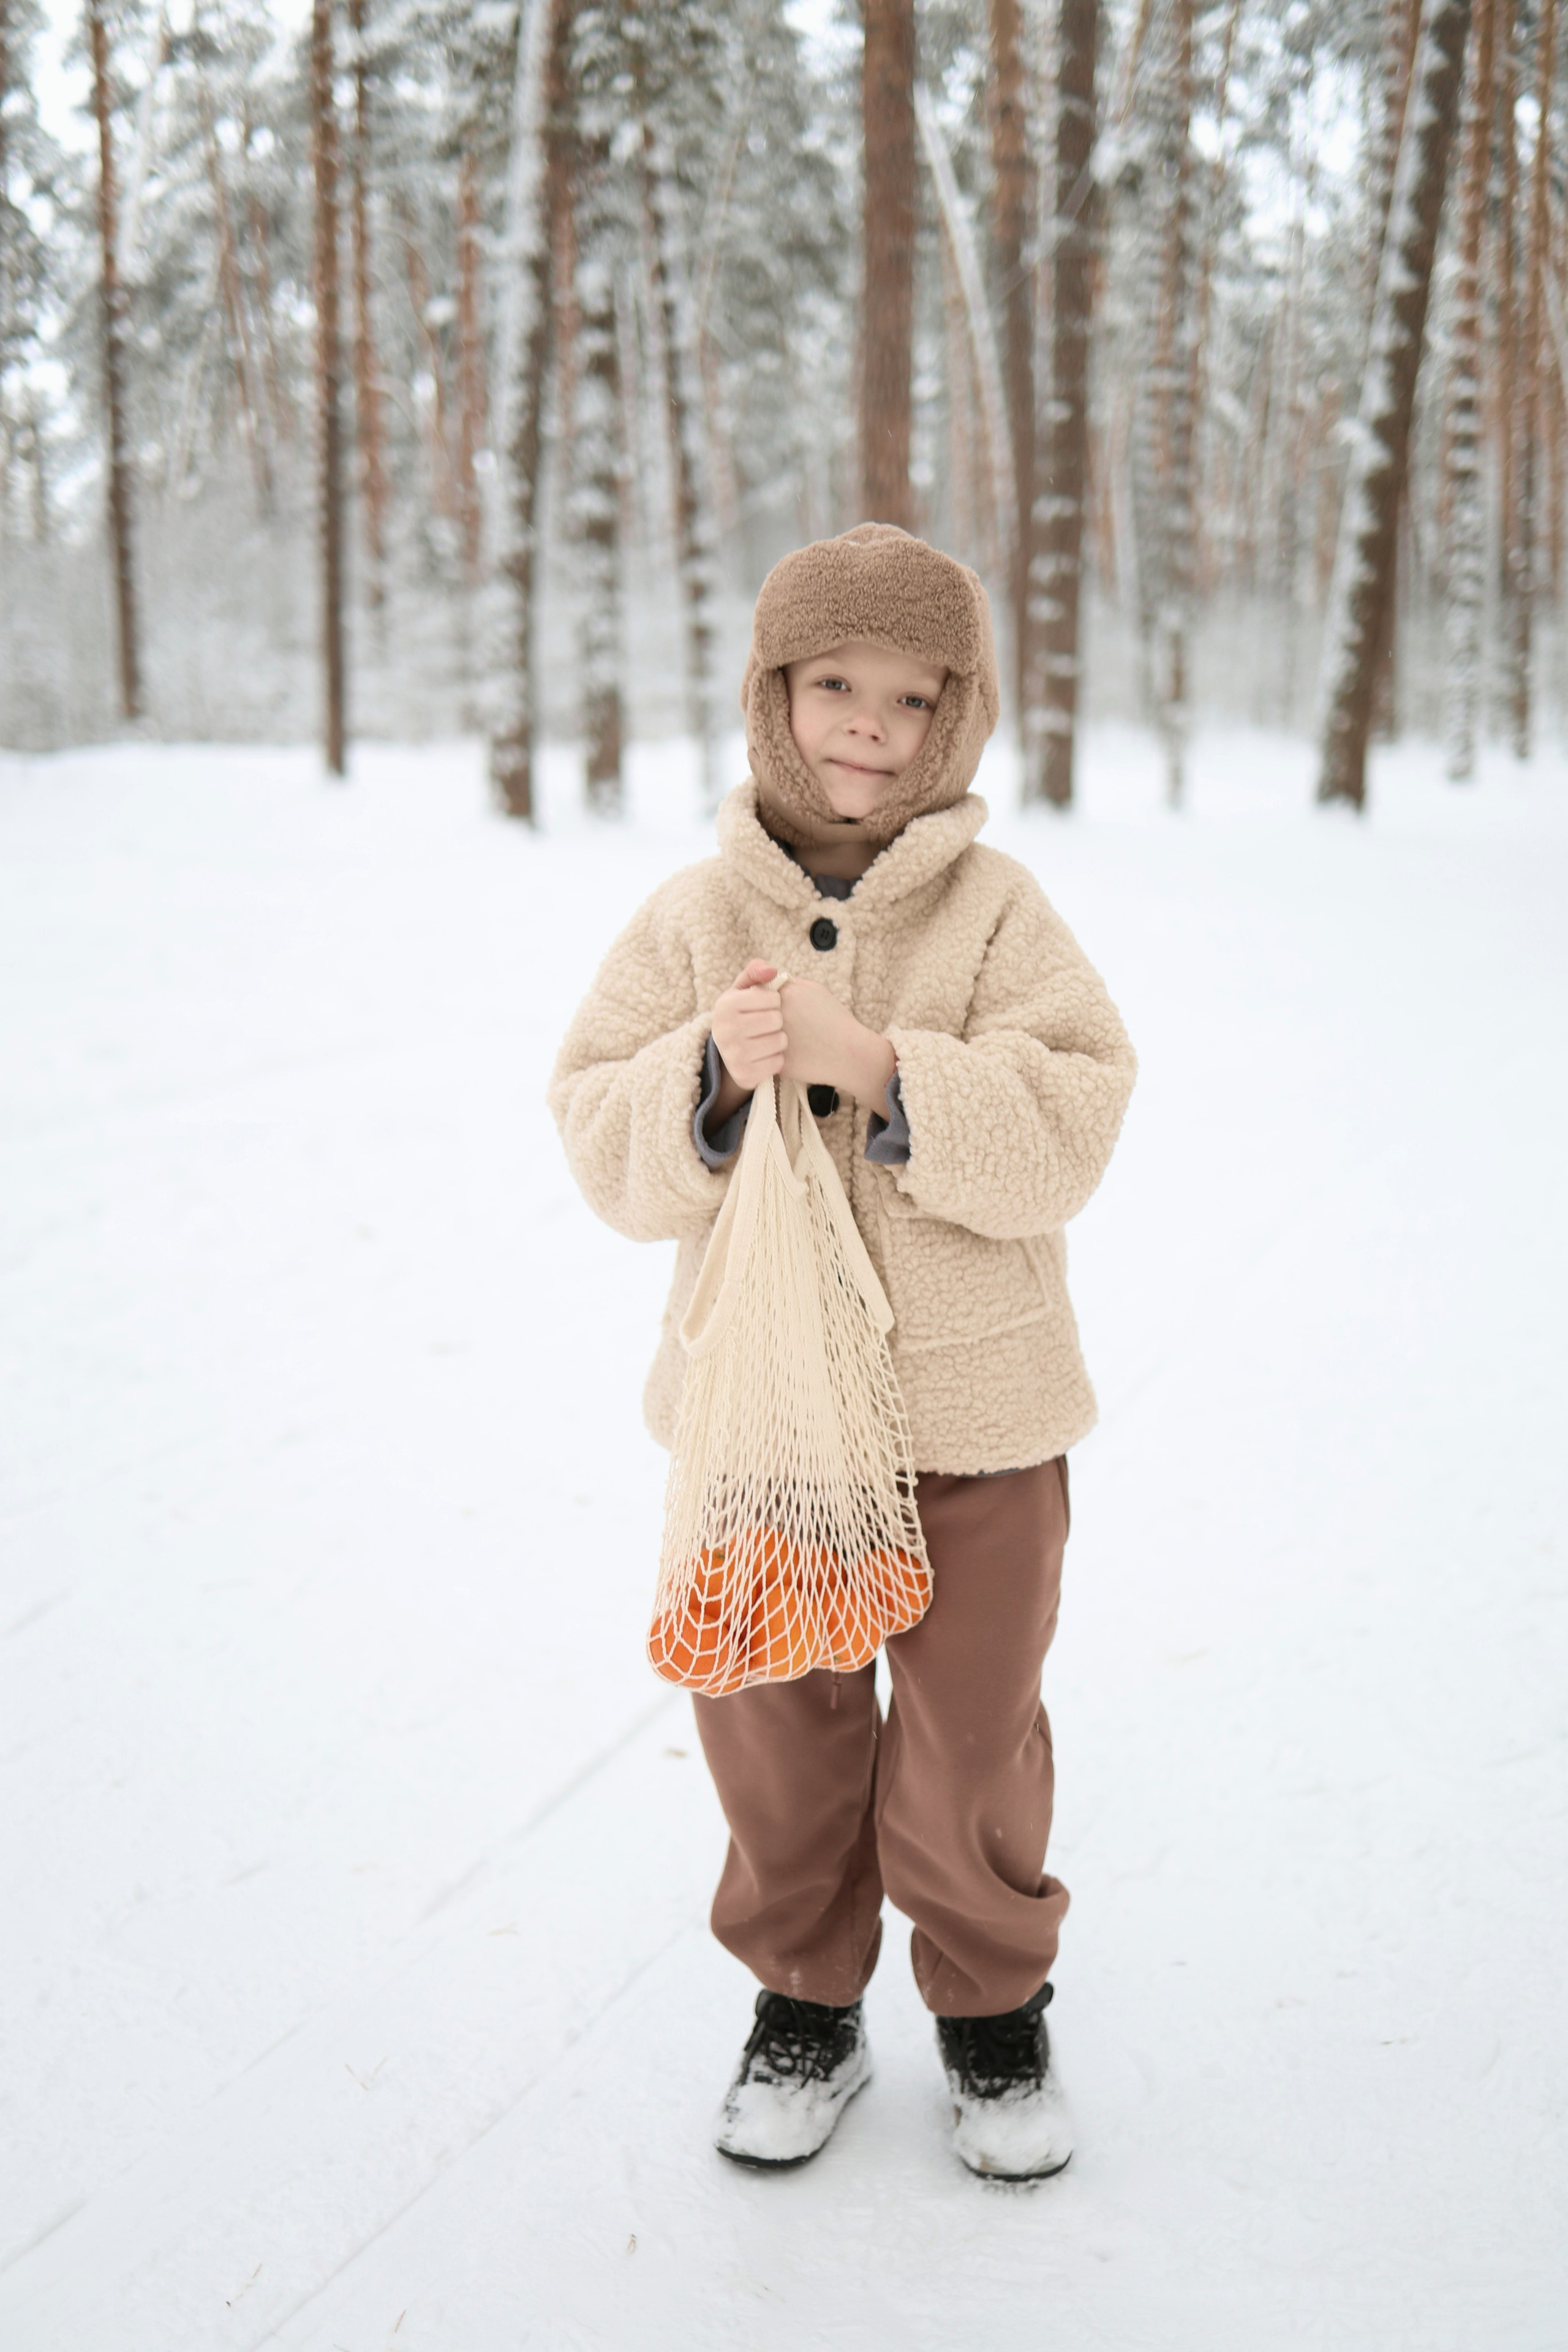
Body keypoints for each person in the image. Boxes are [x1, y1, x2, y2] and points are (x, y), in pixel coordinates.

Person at [549, 524, 1136, 2180]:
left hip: (980, 1413)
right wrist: (713, 1086)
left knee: (967, 1731)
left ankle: (990, 2007)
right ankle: (804, 1998)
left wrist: (883, 1068)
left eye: (907, 698)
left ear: (956, 719)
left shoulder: (1002, 913)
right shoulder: (694, 913)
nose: (865, 727)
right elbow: (598, 1129)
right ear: (771, 696)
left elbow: (1078, 1115)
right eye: (831, 688)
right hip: (767, 1417)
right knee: (777, 1719)